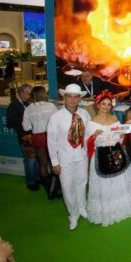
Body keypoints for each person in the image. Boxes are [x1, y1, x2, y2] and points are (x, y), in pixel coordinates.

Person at [86, 91, 131, 226]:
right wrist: (94, 136)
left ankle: (122, 208)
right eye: (103, 104)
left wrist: (127, 126)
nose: (106, 107)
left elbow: (120, 136)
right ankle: (107, 211)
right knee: (104, 185)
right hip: (101, 155)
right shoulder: (91, 123)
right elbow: (87, 143)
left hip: (116, 152)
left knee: (120, 181)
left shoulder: (115, 118)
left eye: (109, 104)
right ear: (97, 105)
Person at [46, 84, 91, 230]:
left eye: (75, 97)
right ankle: (73, 213)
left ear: (79, 98)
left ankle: (82, 208)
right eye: (69, 96)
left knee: (81, 183)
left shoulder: (85, 114)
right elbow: (51, 141)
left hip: (81, 157)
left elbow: (88, 135)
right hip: (64, 159)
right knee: (67, 187)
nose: (72, 99)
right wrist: (54, 162)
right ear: (64, 98)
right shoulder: (56, 117)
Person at [21, 86, 58, 199]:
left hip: (37, 136)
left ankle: (49, 190)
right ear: (44, 94)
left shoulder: (28, 108)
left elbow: (26, 127)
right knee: (54, 162)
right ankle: (55, 189)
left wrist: (35, 125)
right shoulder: (51, 106)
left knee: (43, 163)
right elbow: (58, 121)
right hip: (50, 135)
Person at [6, 84, 39, 191]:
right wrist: (26, 118)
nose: (31, 96)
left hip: (35, 135)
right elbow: (10, 123)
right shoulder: (14, 105)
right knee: (30, 160)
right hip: (25, 137)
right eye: (29, 94)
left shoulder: (30, 103)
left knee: (36, 159)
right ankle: (31, 182)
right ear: (21, 93)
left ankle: (37, 178)